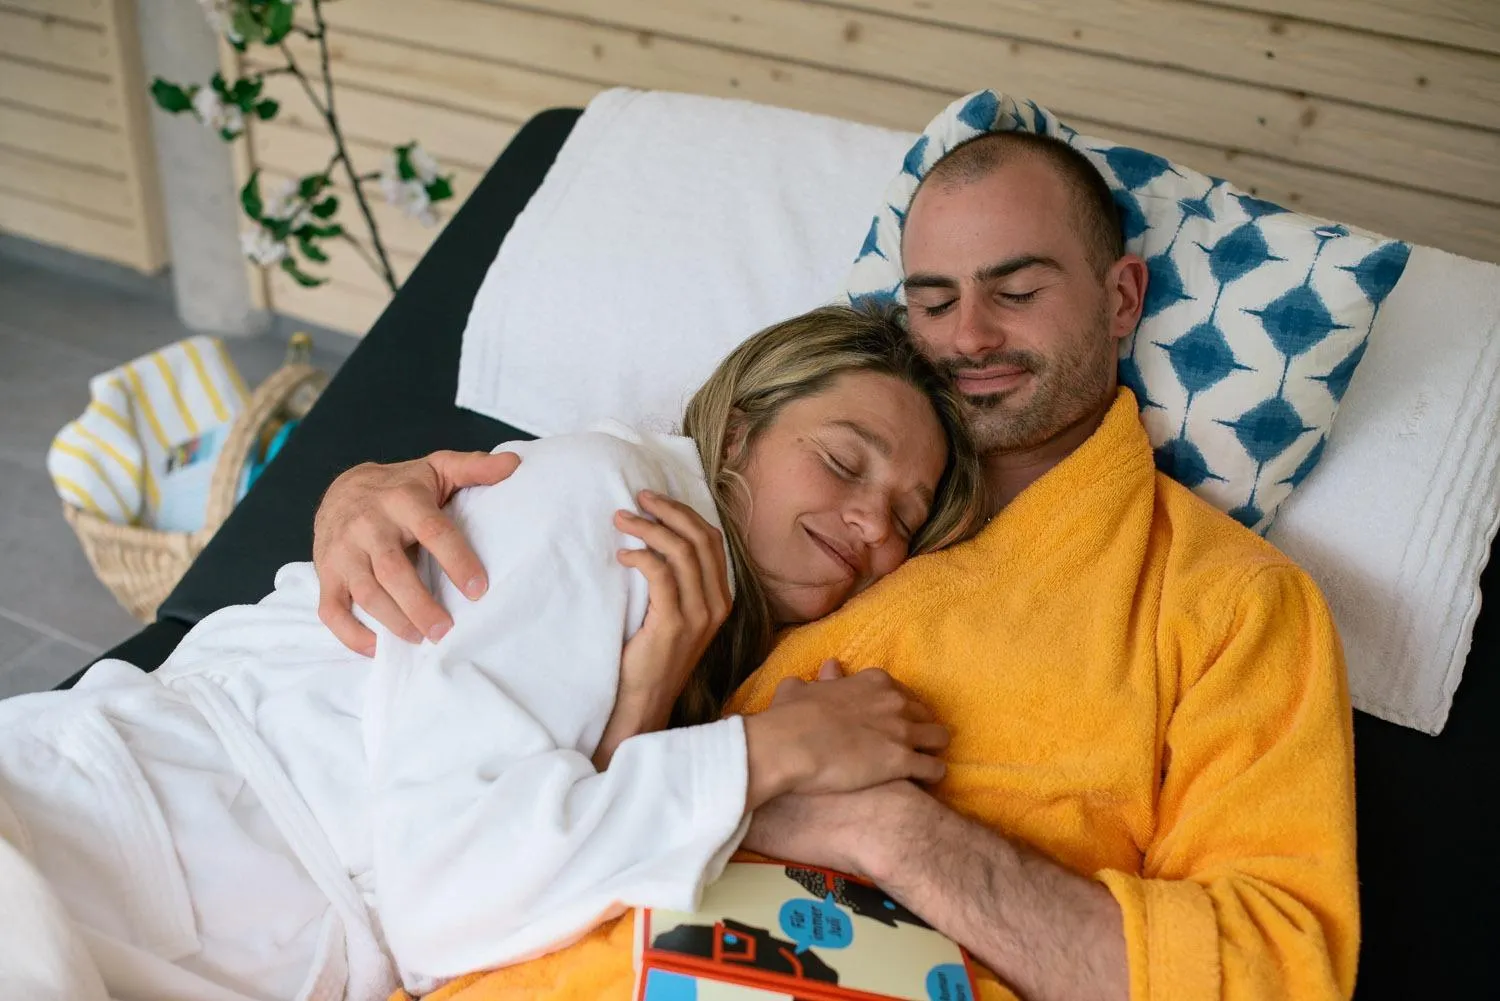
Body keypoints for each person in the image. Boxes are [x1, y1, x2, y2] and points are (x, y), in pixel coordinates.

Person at [316, 131, 1359, 1001]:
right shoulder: (777, 522)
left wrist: (892, 832)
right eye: (933, 301)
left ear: (1122, 298)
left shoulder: (1228, 599)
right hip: (524, 950)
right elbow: (556, 730)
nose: (970, 336)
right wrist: (372, 487)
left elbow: (1275, 969)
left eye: (1017, 290)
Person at [0, 306, 989, 1001]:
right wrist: (770, 751)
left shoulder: (704, 622)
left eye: (906, 516)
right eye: (843, 460)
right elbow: (447, 891)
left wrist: (648, 705)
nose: (872, 523)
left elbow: (514, 846)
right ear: (736, 436)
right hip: (105, 840)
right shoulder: (615, 502)